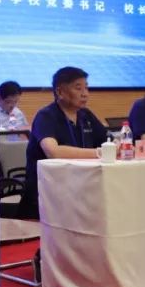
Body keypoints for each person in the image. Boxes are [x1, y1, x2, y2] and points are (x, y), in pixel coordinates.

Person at [17, 67, 108, 219]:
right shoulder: (46, 116)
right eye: (78, 88)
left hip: (80, 192)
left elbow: (108, 142)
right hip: (46, 196)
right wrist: (98, 153)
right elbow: (53, 151)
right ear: (60, 92)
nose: (85, 93)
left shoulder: (86, 115)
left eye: (86, 88)